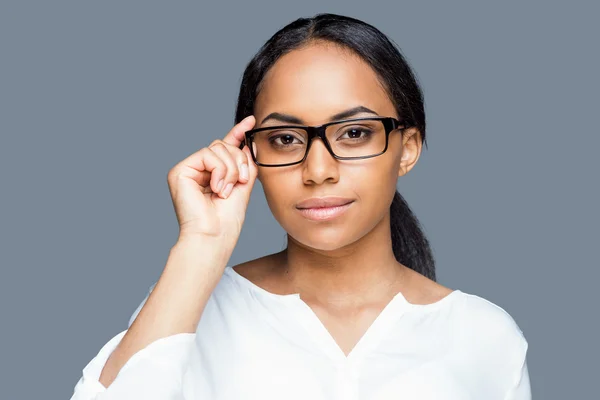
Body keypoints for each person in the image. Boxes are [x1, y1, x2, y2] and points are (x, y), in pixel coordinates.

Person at [70, 13, 531, 400]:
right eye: (285, 139)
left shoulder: (484, 336)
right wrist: (201, 246)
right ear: (250, 154)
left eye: (354, 133)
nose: (318, 170)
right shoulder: (188, 309)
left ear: (407, 148)